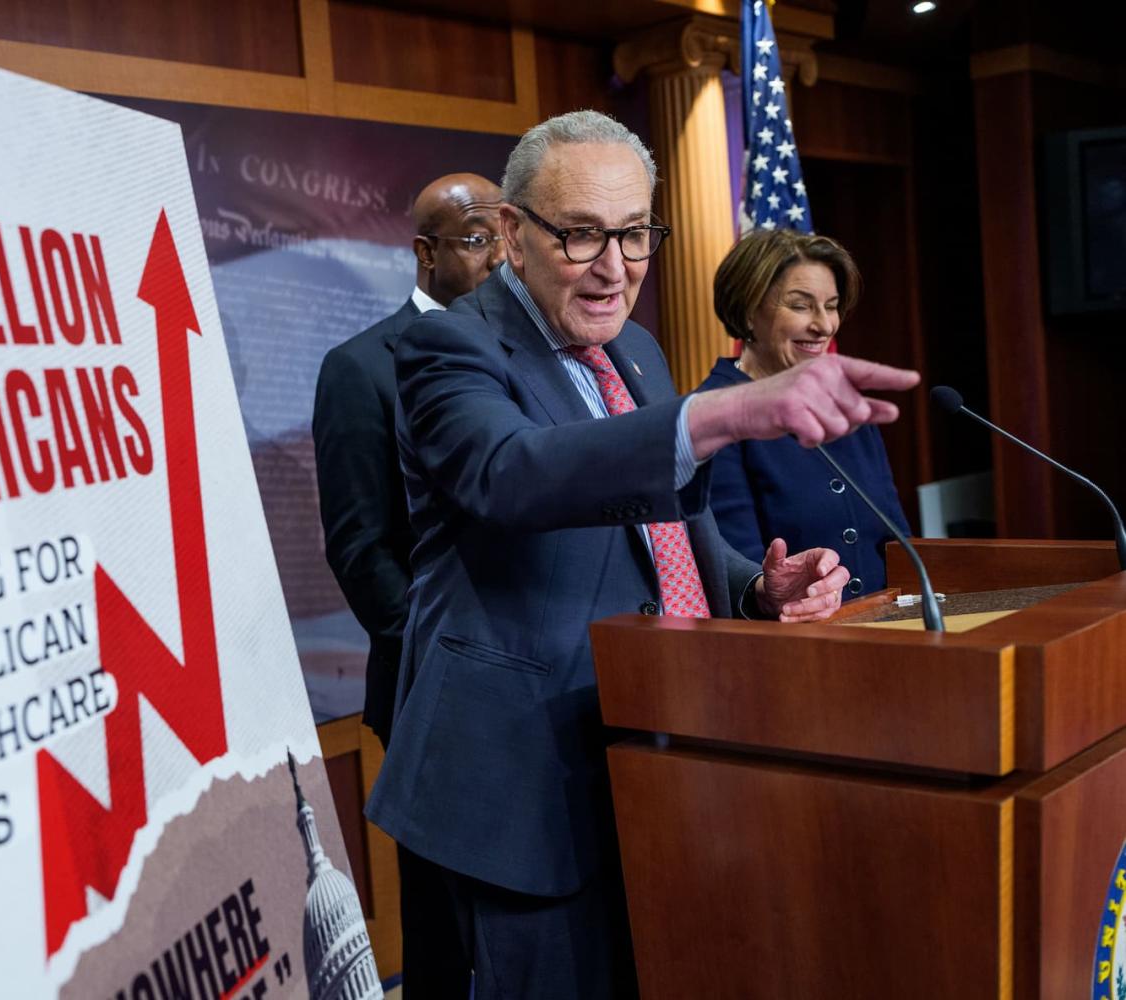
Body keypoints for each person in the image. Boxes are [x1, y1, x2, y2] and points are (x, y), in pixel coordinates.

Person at [364, 111, 919, 999]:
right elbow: (513, 475)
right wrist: (727, 409)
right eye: (581, 234)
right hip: (525, 784)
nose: (615, 266)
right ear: (511, 232)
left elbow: (671, 536)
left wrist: (756, 588)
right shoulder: (448, 345)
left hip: (661, 755)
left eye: (633, 234)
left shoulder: (637, 350)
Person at [312, 172, 503, 997]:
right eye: (477, 239)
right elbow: (361, 550)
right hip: (432, 686)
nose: (499, 259)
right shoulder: (361, 368)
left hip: (537, 682)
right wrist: (448, 656)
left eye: (507, 238)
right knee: (446, 928)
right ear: (426, 253)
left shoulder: (528, 354)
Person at [698, 228, 912, 598]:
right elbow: (738, 572)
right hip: (793, 630)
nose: (824, 325)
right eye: (801, 306)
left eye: (831, 306)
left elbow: (899, 544)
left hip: (888, 622)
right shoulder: (715, 414)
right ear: (748, 311)